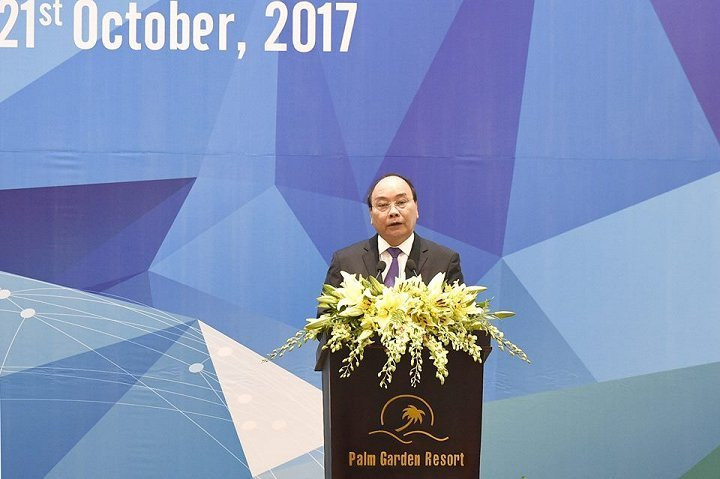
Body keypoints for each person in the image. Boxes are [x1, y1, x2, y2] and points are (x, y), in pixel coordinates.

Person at [323, 173, 463, 288]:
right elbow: (327, 314)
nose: (393, 212)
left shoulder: (444, 261)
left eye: (401, 202)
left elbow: (460, 313)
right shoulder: (345, 262)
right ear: (371, 214)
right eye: (383, 205)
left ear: (416, 207)